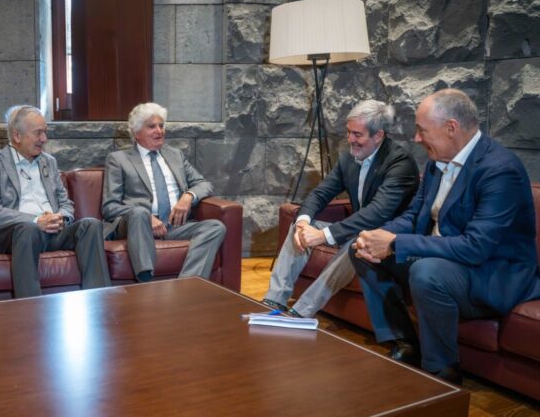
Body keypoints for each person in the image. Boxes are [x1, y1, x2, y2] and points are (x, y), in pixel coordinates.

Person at [351, 89, 540, 384]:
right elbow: (414, 216)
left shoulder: (500, 170)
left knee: (427, 272)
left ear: (451, 128)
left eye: (422, 130)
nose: (416, 138)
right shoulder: (436, 161)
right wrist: (381, 235)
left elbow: (475, 247)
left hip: (490, 273)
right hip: (443, 260)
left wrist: (396, 243)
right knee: (361, 250)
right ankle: (406, 342)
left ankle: (442, 372)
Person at [263, 100, 419, 317]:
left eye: (357, 134)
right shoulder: (349, 158)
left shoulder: (400, 163)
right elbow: (321, 193)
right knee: (300, 225)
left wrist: (323, 235)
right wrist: (303, 223)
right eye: (349, 132)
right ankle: (273, 301)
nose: (350, 139)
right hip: (354, 229)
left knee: (356, 243)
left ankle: (300, 313)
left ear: (378, 135)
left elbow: (377, 213)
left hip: (384, 238)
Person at [0, 105, 110, 297]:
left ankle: (99, 299)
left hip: (52, 230)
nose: (44, 139)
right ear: (17, 136)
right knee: (29, 229)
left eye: (45, 132)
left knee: (90, 226)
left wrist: (62, 218)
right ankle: (31, 306)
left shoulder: (48, 161)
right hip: (14, 234)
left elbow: (65, 202)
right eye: (38, 133)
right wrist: (36, 221)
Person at [102, 102, 226, 282]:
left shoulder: (175, 155)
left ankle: (188, 285)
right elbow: (110, 207)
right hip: (138, 225)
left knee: (215, 227)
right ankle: (146, 281)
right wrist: (147, 217)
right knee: (139, 213)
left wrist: (188, 196)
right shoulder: (118, 159)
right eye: (151, 126)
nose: (159, 131)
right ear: (136, 133)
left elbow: (203, 184)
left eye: (161, 126)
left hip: (174, 225)